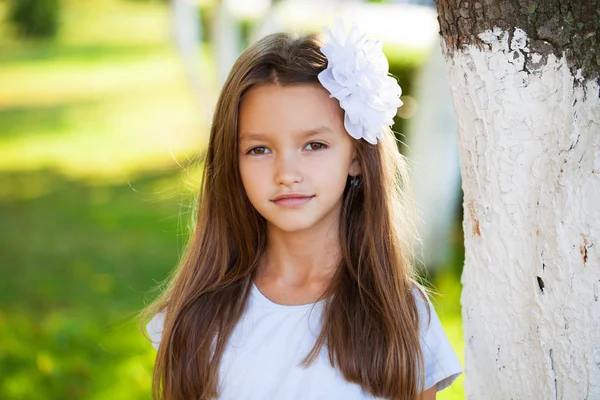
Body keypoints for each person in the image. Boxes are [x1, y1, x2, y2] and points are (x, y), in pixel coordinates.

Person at [141, 20, 462, 400]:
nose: (286, 174)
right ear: (233, 162)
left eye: (314, 145)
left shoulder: (402, 315)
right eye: (259, 149)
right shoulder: (197, 317)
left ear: (356, 157)